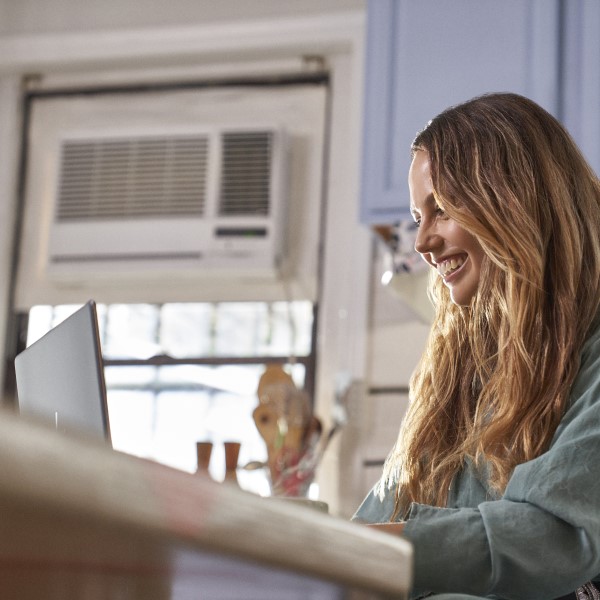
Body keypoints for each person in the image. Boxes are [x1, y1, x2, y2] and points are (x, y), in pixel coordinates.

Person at [353, 92, 600, 600]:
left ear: (513, 201)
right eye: (418, 216)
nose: (421, 242)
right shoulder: (459, 371)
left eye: (440, 210)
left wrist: (376, 552)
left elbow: (556, 537)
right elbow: (387, 510)